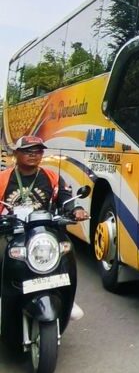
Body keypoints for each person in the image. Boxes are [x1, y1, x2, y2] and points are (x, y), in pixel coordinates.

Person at [0, 136, 89, 320]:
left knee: (65, 253)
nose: (33, 155)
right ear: (16, 154)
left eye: (38, 151)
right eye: (28, 151)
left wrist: (76, 210)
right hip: (10, 231)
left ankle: (66, 295)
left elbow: (66, 198)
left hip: (43, 231)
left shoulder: (51, 176)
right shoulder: (3, 178)